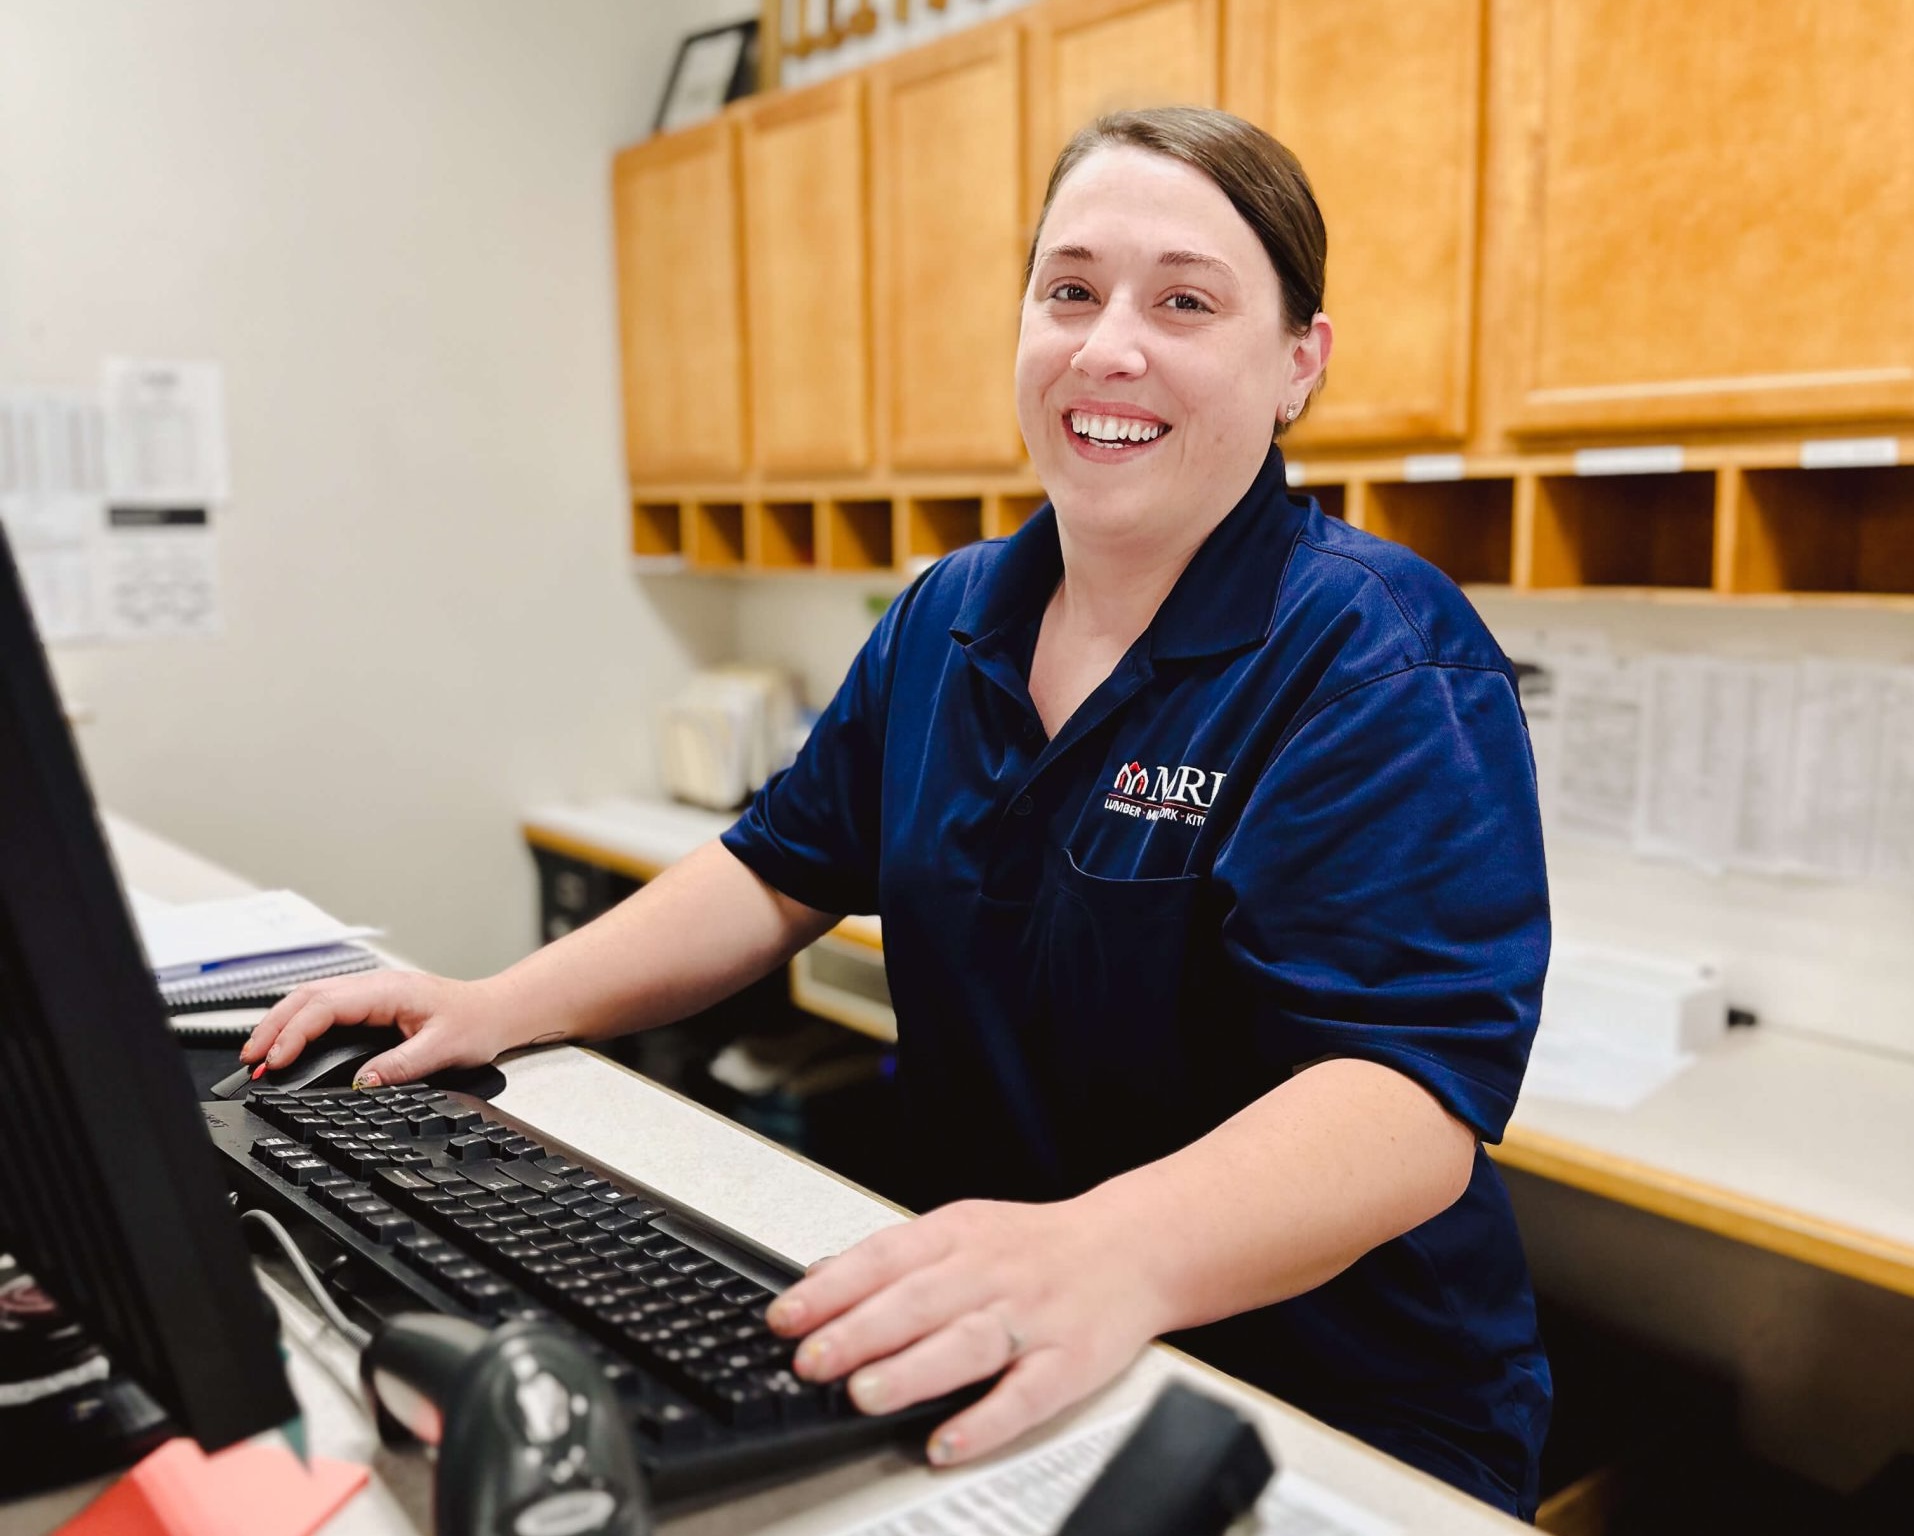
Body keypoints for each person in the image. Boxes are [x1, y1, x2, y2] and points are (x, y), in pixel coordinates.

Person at [244, 107, 1552, 1518]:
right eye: (1069, 291)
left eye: (1184, 300)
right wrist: (497, 1003)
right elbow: (773, 870)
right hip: (994, 1336)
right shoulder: (947, 616)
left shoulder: (1370, 652)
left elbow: (1405, 1099)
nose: (1108, 346)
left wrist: (1107, 1253)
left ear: (1299, 359)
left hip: (1323, 1402)